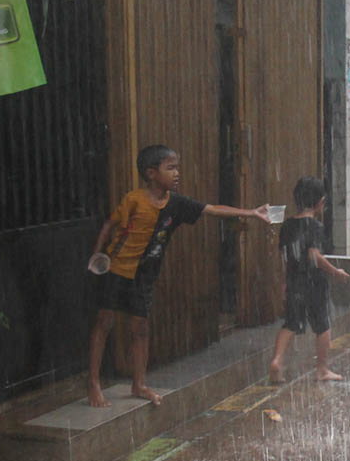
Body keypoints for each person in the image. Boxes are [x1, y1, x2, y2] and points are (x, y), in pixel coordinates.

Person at [86, 144, 269, 408]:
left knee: (141, 328)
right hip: (116, 269)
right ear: (151, 173)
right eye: (170, 168)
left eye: (177, 167)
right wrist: (97, 255)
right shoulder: (134, 200)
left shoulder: (176, 204)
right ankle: (93, 382)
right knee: (104, 322)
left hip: (144, 275)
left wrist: (250, 212)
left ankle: (139, 384)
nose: (177, 173)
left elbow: (212, 209)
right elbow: (110, 225)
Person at [269, 176, 350, 384]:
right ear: (320, 202)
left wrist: (284, 283)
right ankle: (322, 369)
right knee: (323, 325)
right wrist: (335, 271)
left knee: (291, 323)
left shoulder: (287, 226)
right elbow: (314, 255)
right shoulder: (315, 226)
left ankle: (277, 361)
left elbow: (284, 257)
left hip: (294, 280)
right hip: (313, 282)